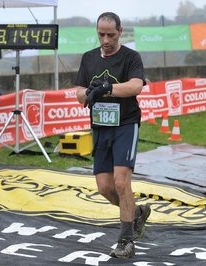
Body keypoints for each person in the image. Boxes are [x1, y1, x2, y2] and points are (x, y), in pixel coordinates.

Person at [75, 12, 151, 259]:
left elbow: (136, 86)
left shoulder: (130, 57)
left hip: (126, 124)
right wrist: (89, 93)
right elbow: (79, 92)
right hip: (100, 127)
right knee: (105, 188)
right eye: (101, 34)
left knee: (121, 182)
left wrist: (107, 88)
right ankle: (136, 213)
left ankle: (126, 240)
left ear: (120, 30)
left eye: (110, 34)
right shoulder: (88, 58)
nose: (105, 39)